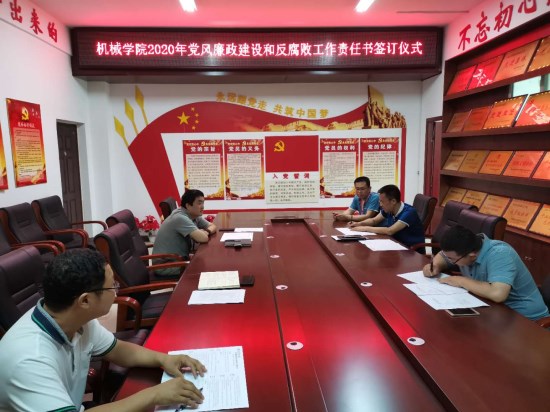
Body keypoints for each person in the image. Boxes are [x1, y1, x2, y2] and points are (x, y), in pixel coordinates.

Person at [0, 249, 207, 411]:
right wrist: (154, 395)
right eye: (112, 286)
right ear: (85, 300)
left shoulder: (77, 319)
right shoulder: (29, 359)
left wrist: (164, 359)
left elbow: (118, 350)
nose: (117, 291)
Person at [423, 225, 549, 321]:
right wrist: (436, 265)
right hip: (494, 311)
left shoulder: (500, 254)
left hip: (527, 319)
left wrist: (461, 281)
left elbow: (498, 294)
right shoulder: (466, 247)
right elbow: (443, 255)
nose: (450, 261)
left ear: (472, 256)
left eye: (452, 259)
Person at [153, 189, 217, 275]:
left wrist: (206, 231)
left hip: (178, 259)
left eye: (203, 203)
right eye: (199, 203)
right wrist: (203, 233)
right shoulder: (180, 218)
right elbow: (203, 238)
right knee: (204, 269)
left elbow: (213, 226)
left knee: (206, 263)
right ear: (188, 205)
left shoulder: (193, 215)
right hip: (166, 265)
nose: (202, 207)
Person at [349, 184, 425, 251]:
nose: (380, 205)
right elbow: (374, 220)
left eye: (382, 201)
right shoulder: (389, 209)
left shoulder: (409, 212)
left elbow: (390, 231)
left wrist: (365, 228)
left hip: (411, 251)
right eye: (379, 201)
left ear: (393, 201)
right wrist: (359, 224)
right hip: (395, 245)